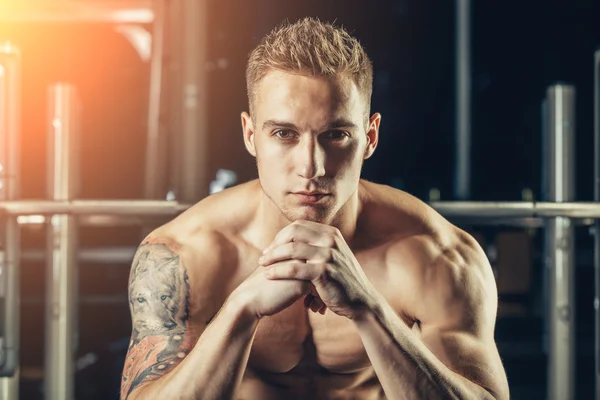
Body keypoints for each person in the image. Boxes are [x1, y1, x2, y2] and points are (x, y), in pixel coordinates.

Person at [119, 17, 510, 400]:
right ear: (251, 135)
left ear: (370, 137)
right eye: (284, 134)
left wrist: (370, 310)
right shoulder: (185, 255)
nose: (312, 167)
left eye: (336, 135)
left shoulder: (436, 256)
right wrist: (241, 308)